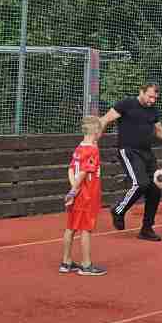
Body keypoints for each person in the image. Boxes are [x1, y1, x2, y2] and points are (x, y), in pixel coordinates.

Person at [106, 83, 162, 241]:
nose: (152, 100)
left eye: (155, 98)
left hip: (147, 153)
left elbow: (158, 130)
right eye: (150, 96)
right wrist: (92, 138)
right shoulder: (126, 104)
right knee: (141, 183)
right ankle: (118, 210)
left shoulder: (153, 110)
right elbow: (105, 120)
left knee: (155, 189)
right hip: (129, 151)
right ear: (142, 92)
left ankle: (146, 229)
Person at [61, 111, 116, 275]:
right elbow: (84, 172)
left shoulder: (79, 148)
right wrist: (74, 190)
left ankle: (66, 262)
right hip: (87, 194)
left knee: (71, 227)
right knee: (86, 229)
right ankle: (86, 265)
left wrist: (73, 189)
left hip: (78, 192)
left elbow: (71, 169)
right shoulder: (93, 150)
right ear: (96, 132)